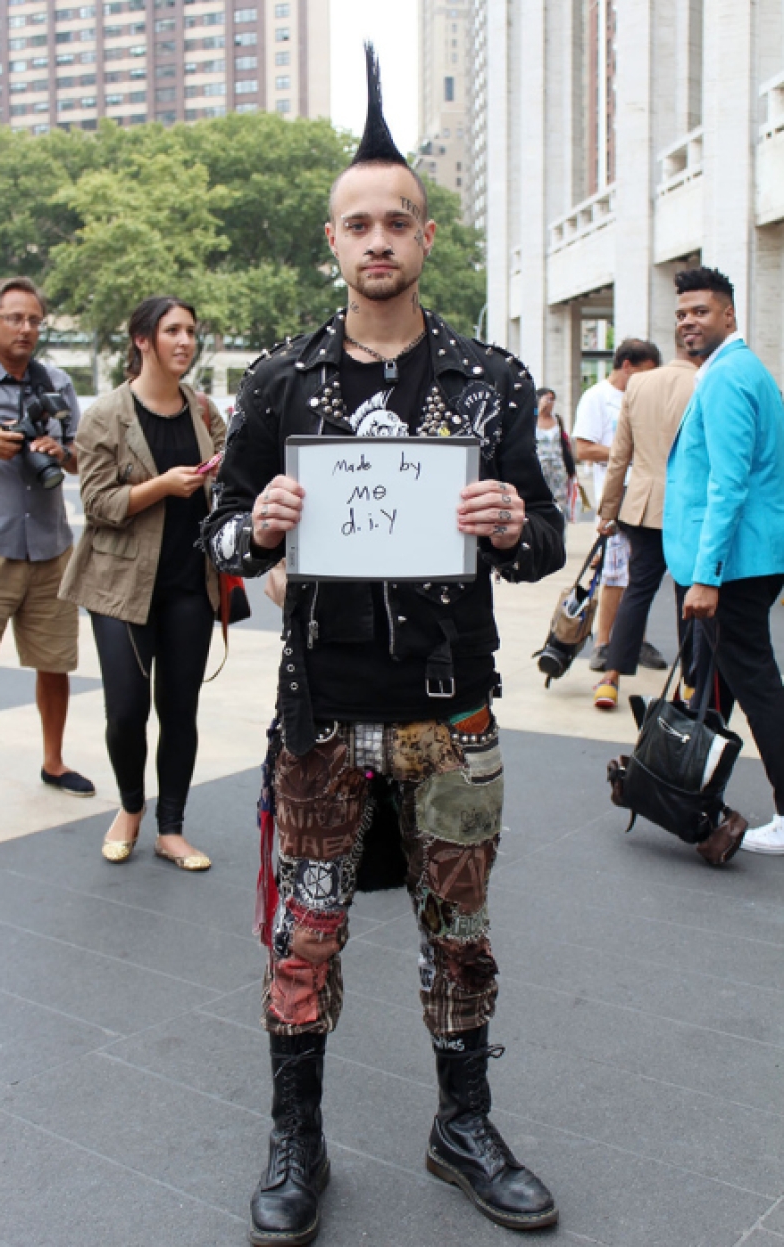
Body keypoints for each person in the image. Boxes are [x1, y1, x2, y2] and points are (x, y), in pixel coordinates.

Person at [204, 46, 564, 1246]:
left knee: (459, 929)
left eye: (397, 221)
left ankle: (464, 1124)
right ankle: (295, 1136)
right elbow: (219, 530)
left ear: (425, 238)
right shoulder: (280, 383)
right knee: (304, 934)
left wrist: (512, 524)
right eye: (358, 223)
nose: (378, 241)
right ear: (332, 241)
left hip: (451, 714)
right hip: (320, 712)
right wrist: (254, 525)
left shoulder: (493, 381)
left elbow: (546, 538)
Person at [59, 296, 226, 869]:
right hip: (119, 586)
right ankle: (130, 807)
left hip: (189, 584)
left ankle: (171, 829)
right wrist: (162, 486)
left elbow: (232, 475)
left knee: (180, 710)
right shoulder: (106, 414)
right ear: (142, 339)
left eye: (191, 331)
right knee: (126, 712)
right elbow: (98, 503)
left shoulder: (202, 410)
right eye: (172, 330)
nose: (185, 341)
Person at [663, 266, 784, 855]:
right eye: (682, 313)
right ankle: (689, 795)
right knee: (712, 686)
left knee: (756, 686)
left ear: (728, 315)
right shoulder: (734, 370)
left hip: (733, 567)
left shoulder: (730, 377)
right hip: (743, 559)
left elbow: (729, 484)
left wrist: (706, 576)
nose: (688, 322)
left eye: (701, 312)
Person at [0, 276, 94, 796]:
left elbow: (83, 459)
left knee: (54, 662)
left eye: (35, 320)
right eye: (15, 318)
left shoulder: (55, 382)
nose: (26, 328)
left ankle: (53, 762)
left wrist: (61, 453)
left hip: (49, 548)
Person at [592, 336, 700, 709]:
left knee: (637, 589)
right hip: (689, 505)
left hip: (643, 503)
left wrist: (608, 511)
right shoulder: (705, 382)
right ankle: (691, 681)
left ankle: (610, 678)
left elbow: (620, 455)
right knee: (689, 594)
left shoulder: (638, 384)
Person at [572, 339, 664, 679]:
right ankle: (604, 642)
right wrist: (627, 451)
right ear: (627, 365)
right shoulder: (597, 397)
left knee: (641, 575)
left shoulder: (645, 396)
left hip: (644, 496)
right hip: (615, 496)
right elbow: (584, 449)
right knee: (614, 575)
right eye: (644, 373)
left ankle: (636, 641)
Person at [534, 386, 576, 516]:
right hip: (540, 467)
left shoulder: (557, 419)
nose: (550, 403)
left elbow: (563, 444)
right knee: (539, 500)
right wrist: (538, 410)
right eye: (547, 399)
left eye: (552, 399)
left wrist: (571, 469)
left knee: (559, 503)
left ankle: (559, 525)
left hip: (558, 469)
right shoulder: (532, 419)